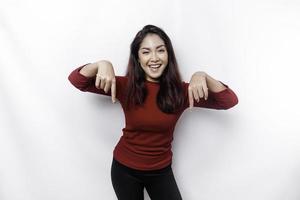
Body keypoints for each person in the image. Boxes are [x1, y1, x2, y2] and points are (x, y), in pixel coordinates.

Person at [68, 24, 238, 200]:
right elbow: (77, 80)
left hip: (160, 172)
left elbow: (228, 101)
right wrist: (101, 64)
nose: (154, 58)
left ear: (168, 55)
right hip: (124, 170)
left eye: (160, 50)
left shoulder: (183, 92)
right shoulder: (125, 86)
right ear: (138, 58)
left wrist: (202, 75)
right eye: (146, 52)